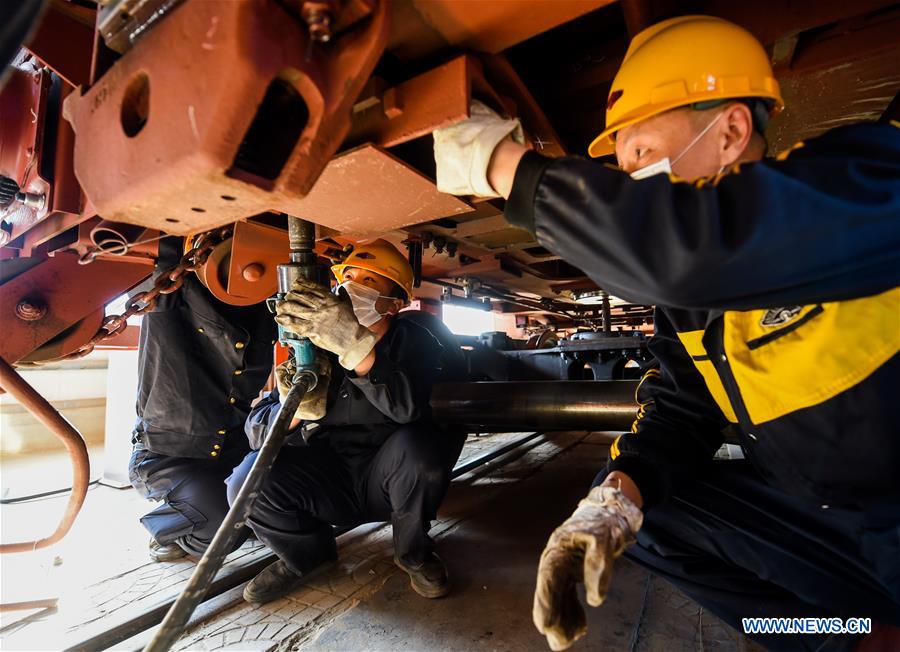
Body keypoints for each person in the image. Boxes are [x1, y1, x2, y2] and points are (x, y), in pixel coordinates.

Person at [434, 15, 900, 651]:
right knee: (649, 519)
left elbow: (687, 249)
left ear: (732, 130)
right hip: (836, 526)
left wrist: (503, 166)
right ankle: (844, 638)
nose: (630, 185)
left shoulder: (869, 182)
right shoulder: (688, 303)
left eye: (642, 157)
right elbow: (685, 408)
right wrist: (610, 505)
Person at [227, 240, 466, 604]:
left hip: (392, 482)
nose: (350, 287)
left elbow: (407, 408)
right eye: (348, 277)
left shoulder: (417, 341)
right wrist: (295, 413)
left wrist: (355, 347)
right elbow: (257, 430)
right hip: (331, 477)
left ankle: (414, 554)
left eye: (368, 281)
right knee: (247, 479)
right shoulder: (313, 348)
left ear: (395, 303)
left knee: (420, 451)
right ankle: (306, 558)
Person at [128, 235, 277, 561]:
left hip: (230, 449)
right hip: (167, 455)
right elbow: (166, 257)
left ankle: (218, 512)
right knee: (222, 531)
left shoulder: (263, 316)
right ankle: (168, 533)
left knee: (279, 500)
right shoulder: (172, 296)